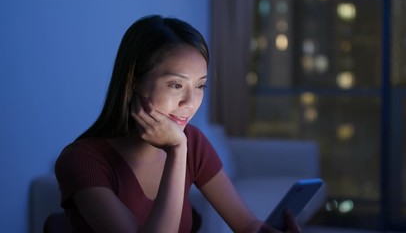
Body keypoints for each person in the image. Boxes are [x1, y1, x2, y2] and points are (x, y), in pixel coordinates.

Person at [55, 15, 301, 233]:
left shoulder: (192, 142)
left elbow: (246, 225)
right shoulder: (82, 160)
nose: (190, 102)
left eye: (200, 86)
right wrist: (177, 150)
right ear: (134, 83)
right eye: (176, 85)